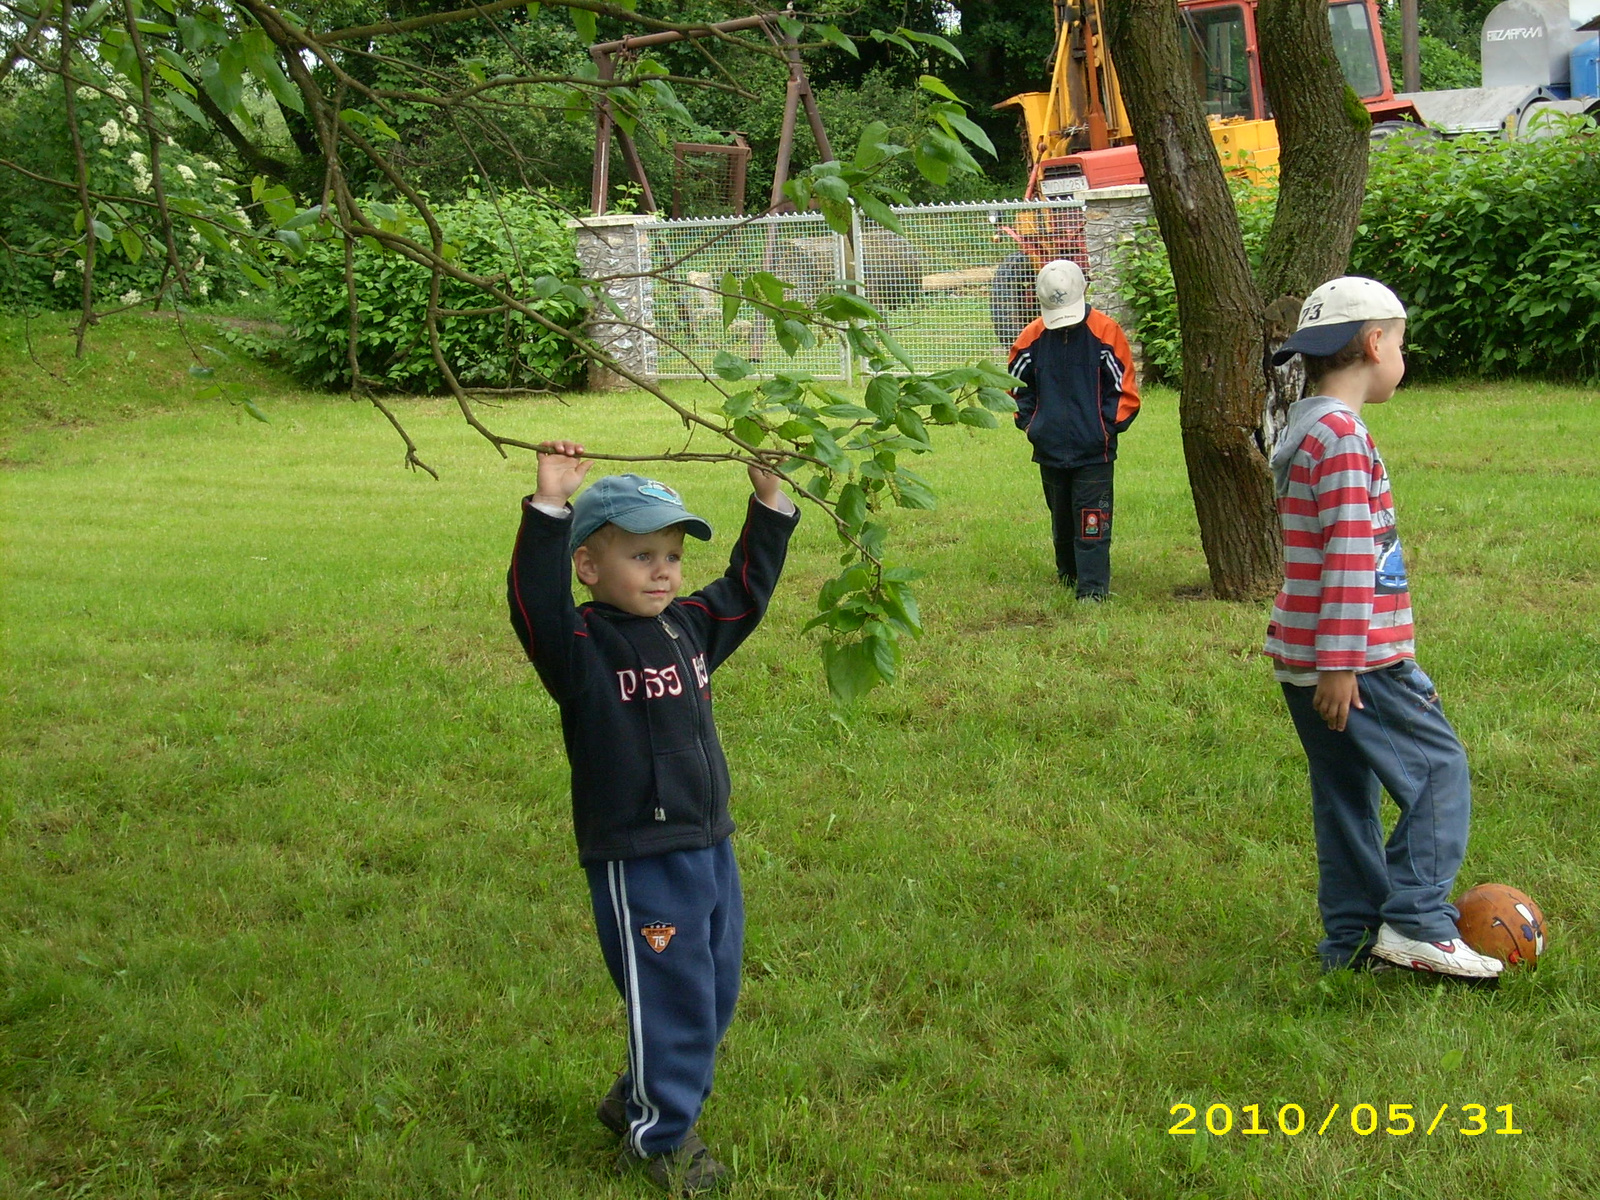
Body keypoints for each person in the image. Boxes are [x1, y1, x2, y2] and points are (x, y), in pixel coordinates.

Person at [507, 445, 801, 1193]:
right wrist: (550, 510)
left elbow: (744, 590)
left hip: (708, 841)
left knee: (712, 988)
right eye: (642, 556)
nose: (664, 570)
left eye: (671, 554)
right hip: (639, 854)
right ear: (590, 569)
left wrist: (769, 503)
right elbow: (534, 607)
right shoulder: (580, 647)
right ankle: (659, 1137)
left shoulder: (687, 627)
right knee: (671, 993)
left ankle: (637, 1092)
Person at [1265, 276, 1501, 979]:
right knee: (1438, 773)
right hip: (1357, 660)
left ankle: (1352, 941)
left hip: (1305, 655)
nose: (1403, 355)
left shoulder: (1305, 425)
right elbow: (1348, 557)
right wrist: (1342, 665)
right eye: (1401, 343)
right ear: (1374, 343)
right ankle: (1418, 920)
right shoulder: (1339, 437)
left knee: (1345, 798)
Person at [1007, 258, 1140, 600]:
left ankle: (1092, 589)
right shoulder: (1030, 338)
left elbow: (1125, 390)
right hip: (1049, 448)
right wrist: (1032, 424)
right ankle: (1067, 574)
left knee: (1092, 521)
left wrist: (1105, 430)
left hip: (1095, 451)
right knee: (1062, 518)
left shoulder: (1106, 332)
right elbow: (1015, 387)